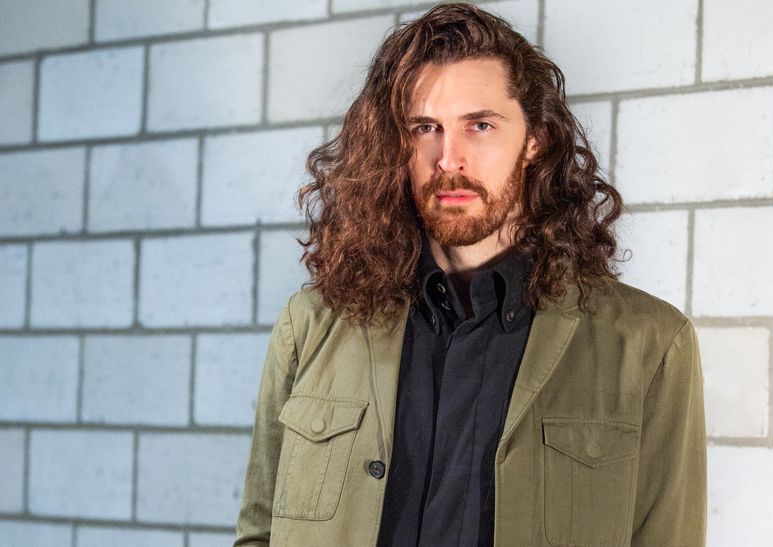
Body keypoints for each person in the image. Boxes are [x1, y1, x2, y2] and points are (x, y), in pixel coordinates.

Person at [234, 3, 706, 546]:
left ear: (535, 139)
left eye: (480, 125)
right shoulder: (310, 326)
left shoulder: (650, 343)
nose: (448, 159)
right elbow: (259, 533)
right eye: (425, 128)